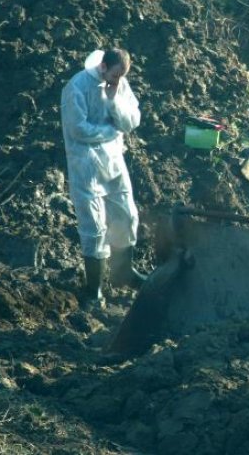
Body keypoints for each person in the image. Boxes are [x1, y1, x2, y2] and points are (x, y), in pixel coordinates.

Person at [61, 48, 146, 307]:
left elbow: (132, 121)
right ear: (102, 66)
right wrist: (111, 131)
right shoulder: (76, 87)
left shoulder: (118, 84)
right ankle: (94, 288)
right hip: (86, 166)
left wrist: (113, 101)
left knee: (126, 215)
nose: (118, 81)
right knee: (94, 226)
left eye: (122, 76)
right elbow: (78, 129)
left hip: (114, 163)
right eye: (115, 74)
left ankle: (124, 274)